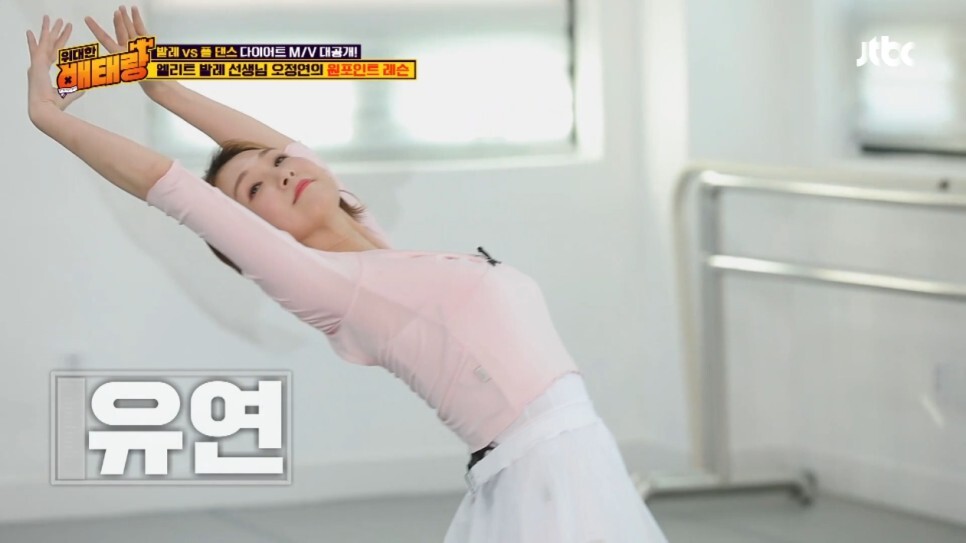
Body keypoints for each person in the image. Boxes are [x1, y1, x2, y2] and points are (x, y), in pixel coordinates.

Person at [26, 7, 669, 542]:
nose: (282, 171)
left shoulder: (376, 252)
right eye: (256, 190)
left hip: (570, 459)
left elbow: (286, 150)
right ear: (253, 235)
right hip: (547, 473)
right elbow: (171, 186)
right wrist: (52, 119)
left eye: (278, 161)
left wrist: (163, 87)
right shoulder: (328, 284)